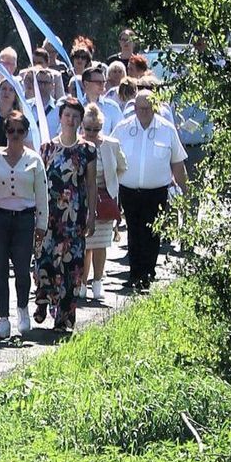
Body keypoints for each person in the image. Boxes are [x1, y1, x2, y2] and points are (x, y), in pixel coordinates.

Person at [111, 91, 188, 291]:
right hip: (129, 190)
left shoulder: (167, 129)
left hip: (157, 191)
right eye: (140, 108)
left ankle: (148, 272)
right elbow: (109, 157)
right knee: (134, 232)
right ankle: (135, 273)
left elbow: (178, 163)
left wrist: (185, 191)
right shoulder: (123, 128)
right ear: (134, 108)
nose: (143, 112)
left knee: (152, 233)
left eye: (148, 108)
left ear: (155, 108)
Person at [33, 97, 97, 331]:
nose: (71, 120)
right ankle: (43, 300)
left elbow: (90, 184)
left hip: (74, 217)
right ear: (60, 117)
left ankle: (64, 317)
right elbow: (39, 182)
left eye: (75, 116)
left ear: (80, 120)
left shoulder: (87, 150)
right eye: (67, 115)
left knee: (71, 267)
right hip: (50, 216)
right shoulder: (47, 148)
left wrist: (92, 215)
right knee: (45, 259)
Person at [0, 112, 48, 339]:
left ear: (26, 133)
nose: (16, 135)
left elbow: (41, 194)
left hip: (24, 219)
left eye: (20, 131)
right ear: (5, 132)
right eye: (11, 131)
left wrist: (42, 224)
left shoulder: (34, 160)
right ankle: (3, 318)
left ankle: (22, 309)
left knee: (22, 269)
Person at [80, 104, 127, 302]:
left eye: (96, 129)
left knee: (100, 244)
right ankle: (81, 283)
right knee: (84, 244)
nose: (92, 133)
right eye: (88, 129)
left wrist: (110, 186)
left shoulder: (111, 144)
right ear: (82, 126)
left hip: (105, 200)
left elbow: (122, 167)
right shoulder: (77, 144)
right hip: (82, 200)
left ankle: (97, 281)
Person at [75, 63, 124, 136]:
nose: (102, 85)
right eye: (98, 82)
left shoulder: (112, 107)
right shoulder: (75, 107)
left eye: (104, 82)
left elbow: (120, 134)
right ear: (86, 84)